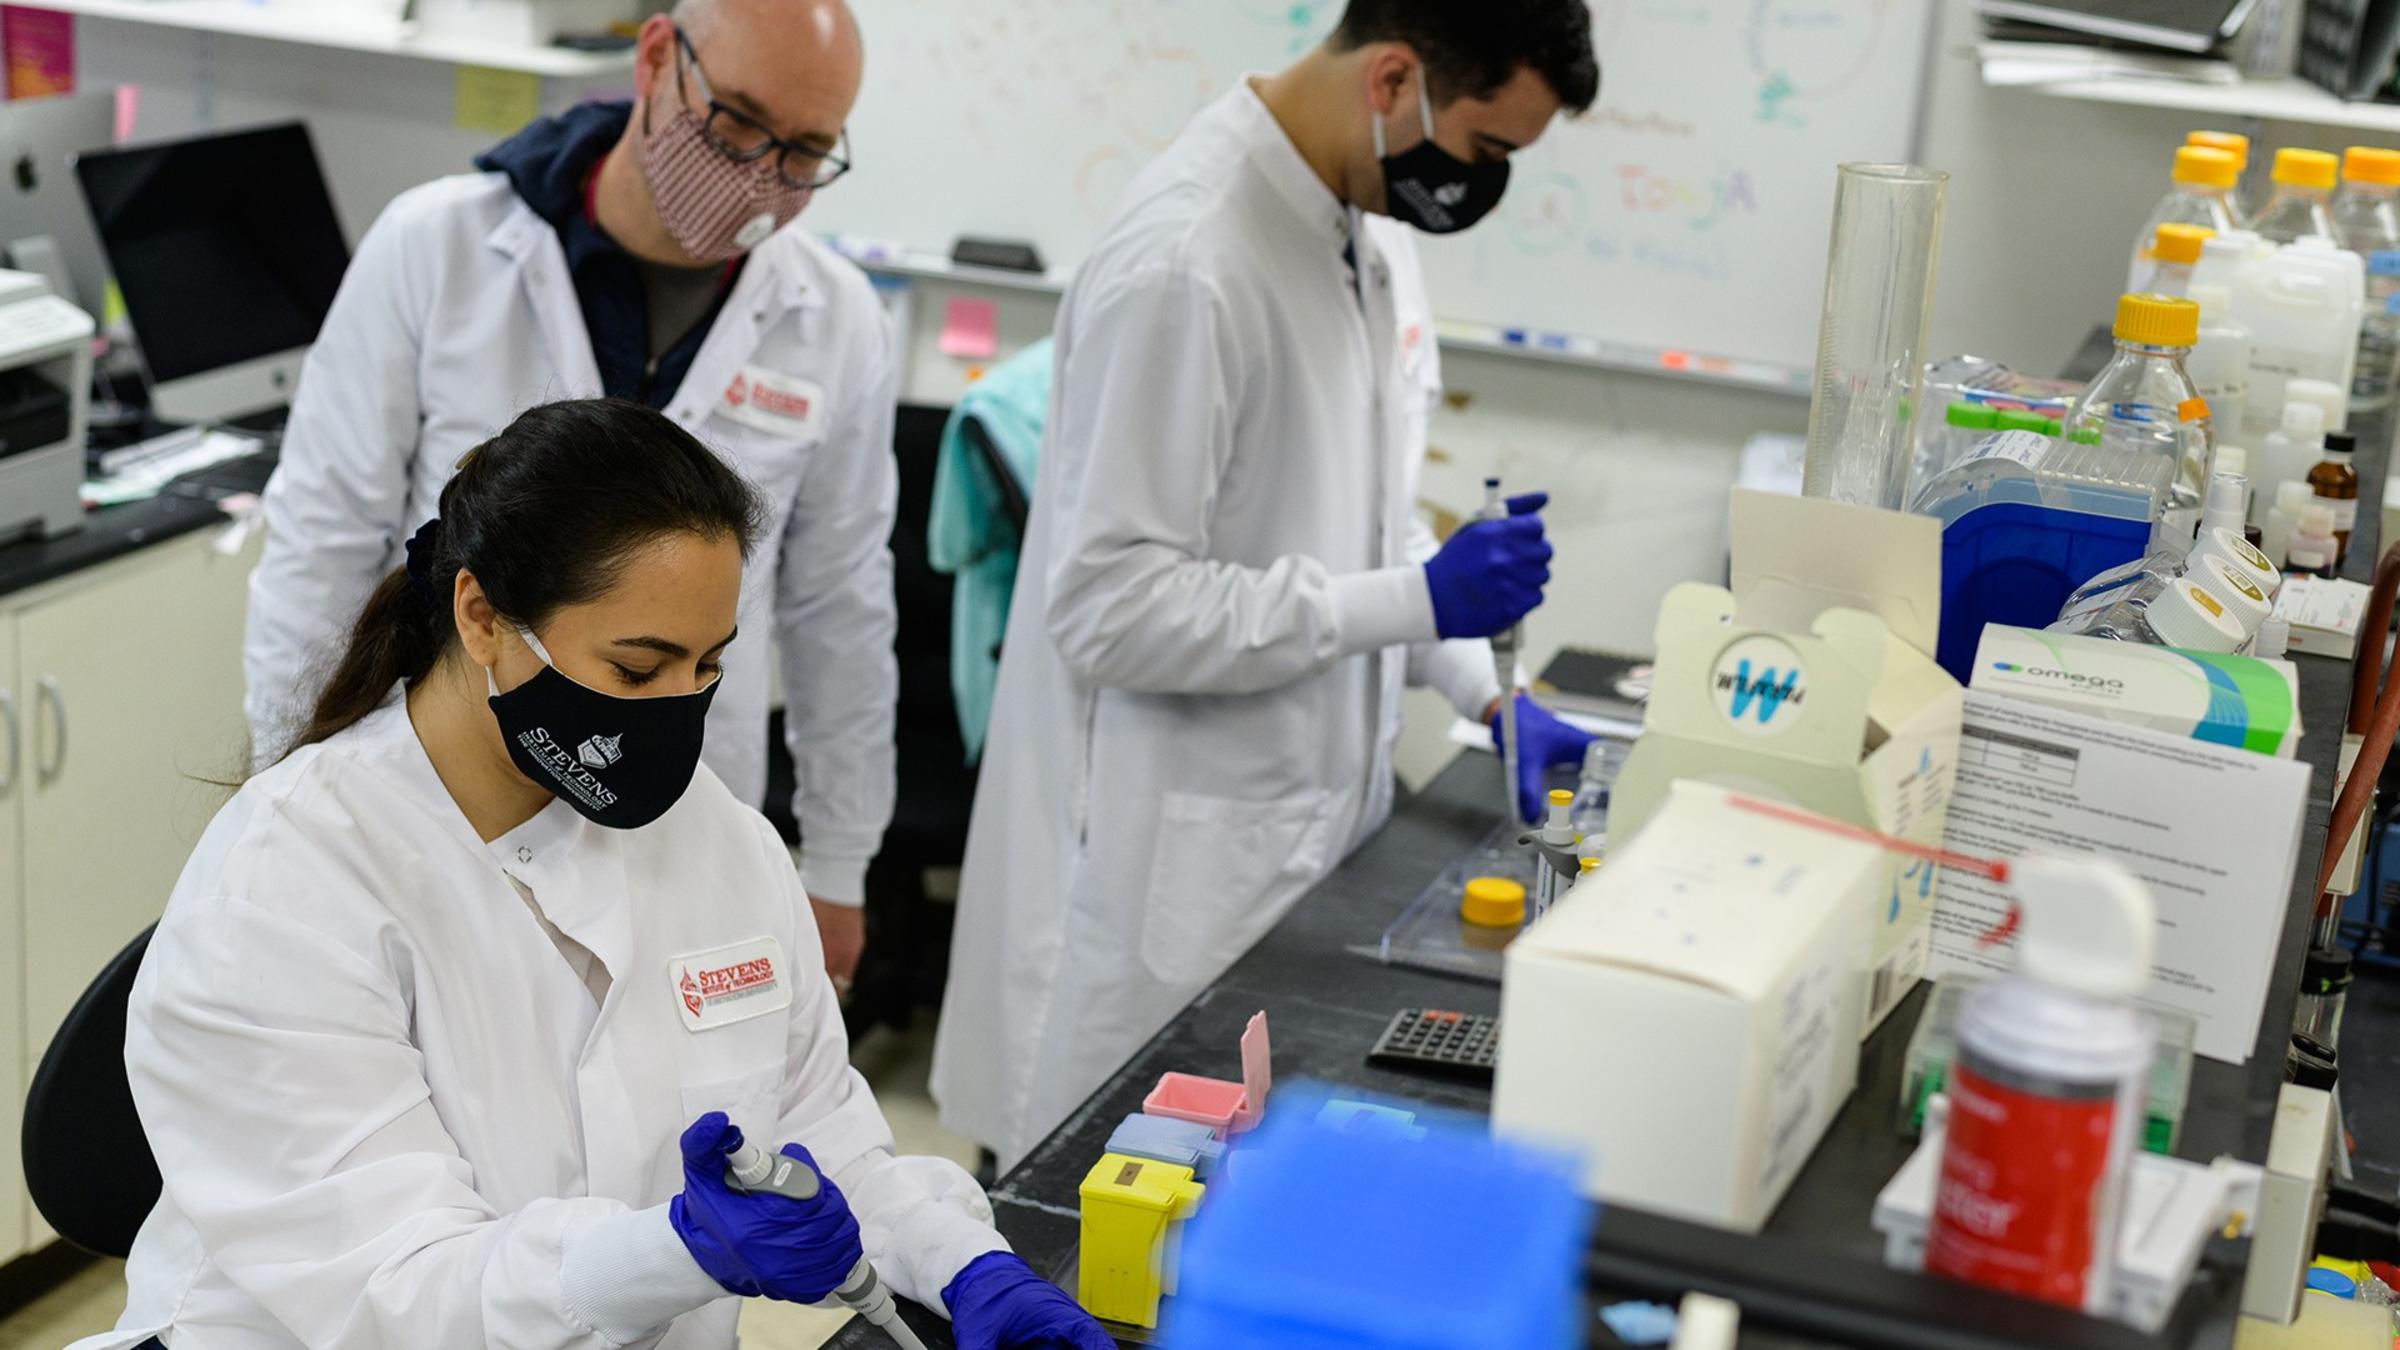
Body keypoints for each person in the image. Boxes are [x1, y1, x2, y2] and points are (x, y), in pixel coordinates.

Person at [73, 401, 1108, 1350]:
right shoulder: (294, 882)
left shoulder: (718, 840)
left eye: (708, 666)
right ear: (480, 617)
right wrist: (679, 1251)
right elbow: (399, 1294)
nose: (675, 707)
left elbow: (819, 1136)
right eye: (635, 668)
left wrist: (963, 1265)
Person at [932, 0, 1603, 1170]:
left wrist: (1479, 690)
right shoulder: (1186, 259)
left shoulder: (1368, 226)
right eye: (1490, 147)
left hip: (1297, 847)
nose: (1485, 181)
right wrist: (1421, 601)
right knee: (1095, 1246)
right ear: (1396, 78)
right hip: (1150, 894)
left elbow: (1370, 524)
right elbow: (1111, 609)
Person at [241, 0, 893, 989]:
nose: (763, 177)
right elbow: (321, 540)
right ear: (658, 58)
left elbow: (840, 606)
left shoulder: (832, 318)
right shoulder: (438, 247)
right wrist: (283, 801)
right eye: (740, 125)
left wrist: (839, 864)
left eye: (804, 152)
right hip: (441, 804)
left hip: (686, 810)